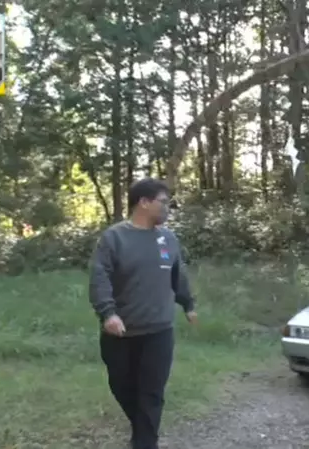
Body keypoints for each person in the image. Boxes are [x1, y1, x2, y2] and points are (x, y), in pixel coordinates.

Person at [89, 178, 197, 449]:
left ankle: (145, 442)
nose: (168, 208)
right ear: (144, 202)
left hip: (159, 331)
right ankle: (142, 433)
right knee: (122, 387)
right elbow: (99, 277)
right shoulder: (114, 238)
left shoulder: (168, 238)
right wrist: (108, 314)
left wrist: (188, 304)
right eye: (164, 202)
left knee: (151, 393)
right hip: (121, 331)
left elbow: (177, 274)